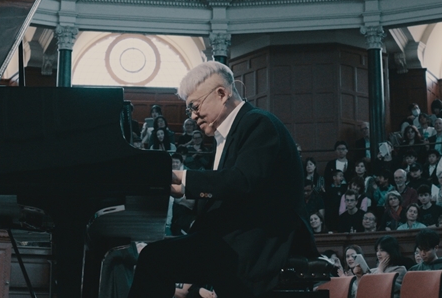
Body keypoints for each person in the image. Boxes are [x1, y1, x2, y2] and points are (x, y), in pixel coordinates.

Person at [128, 61, 317, 298]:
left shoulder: (259, 123)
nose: (193, 116)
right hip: (232, 240)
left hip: (259, 244)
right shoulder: (227, 134)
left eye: (195, 106)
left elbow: (242, 181)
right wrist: (183, 198)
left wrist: (179, 178)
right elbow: (225, 191)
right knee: (156, 256)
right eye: (189, 110)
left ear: (221, 93)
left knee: (154, 258)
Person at [409, 229, 442, 298]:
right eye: (420, 249)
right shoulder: (413, 269)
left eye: (426, 250)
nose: (422, 253)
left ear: (436, 248)